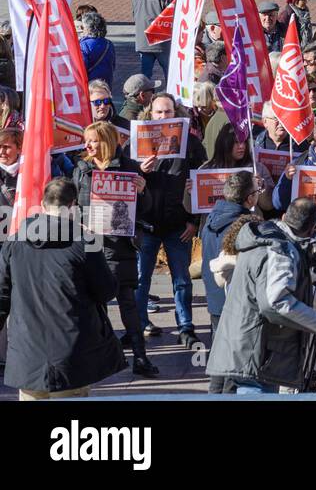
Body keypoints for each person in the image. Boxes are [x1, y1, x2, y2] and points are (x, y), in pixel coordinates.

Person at [0, 179, 127, 399]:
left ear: (42, 204)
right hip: (72, 353)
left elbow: (1, 296)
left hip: (27, 352)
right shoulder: (84, 242)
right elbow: (106, 291)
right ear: (73, 206)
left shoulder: (14, 242)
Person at [207, 198, 316, 393]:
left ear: (285, 216)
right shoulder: (280, 249)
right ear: (312, 230)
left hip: (247, 348)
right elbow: (275, 302)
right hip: (256, 353)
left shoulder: (265, 238)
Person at [70, 121, 157, 378]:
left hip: (120, 247)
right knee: (96, 305)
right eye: (87, 140)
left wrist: (143, 192)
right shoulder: (81, 170)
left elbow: (144, 210)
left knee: (127, 303)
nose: (88, 145)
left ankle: (140, 358)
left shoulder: (129, 168)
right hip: (91, 246)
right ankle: (102, 358)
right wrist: (77, 220)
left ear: (107, 141)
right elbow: (73, 206)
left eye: (93, 140)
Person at [134, 92, 206, 348]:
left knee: (182, 279)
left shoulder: (191, 143)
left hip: (178, 224)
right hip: (146, 224)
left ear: (177, 114)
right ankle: (139, 324)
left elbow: (203, 180)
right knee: (141, 278)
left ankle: (186, 326)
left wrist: (193, 220)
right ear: (149, 114)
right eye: (159, 112)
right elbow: (124, 176)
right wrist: (139, 170)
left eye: (168, 112)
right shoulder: (138, 139)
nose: (164, 116)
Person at [201, 170, 257, 392]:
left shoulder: (211, 218)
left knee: (219, 361)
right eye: (256, 191)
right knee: (233, 367)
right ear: (249, 198)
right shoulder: (245, 226)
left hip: (216, 299)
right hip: (236, 303)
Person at [132, 0, 172, 79]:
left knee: (145, 75)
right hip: (161, 41)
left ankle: (146, 95)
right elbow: (170, 19)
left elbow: (134, 15)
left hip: (143, 40)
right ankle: (170, 95)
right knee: (169, 72)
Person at [77, 11, 115, 84]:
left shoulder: (84, 45)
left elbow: (81, 68)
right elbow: (112, 65)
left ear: (89, 28)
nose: (81, 29)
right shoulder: (109, 44)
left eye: (82, 27)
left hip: (90, 85)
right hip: (106, 83)